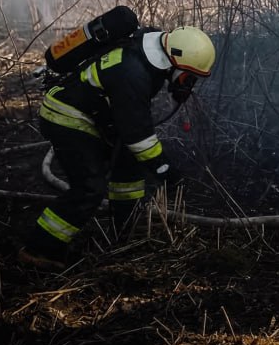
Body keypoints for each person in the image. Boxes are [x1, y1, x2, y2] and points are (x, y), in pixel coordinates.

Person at [18, 25, 216, 270]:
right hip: (66, 117)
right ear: (175, 61)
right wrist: (164, 169)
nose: (189, 84)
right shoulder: (132, 73)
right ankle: (40, 249)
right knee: (90, 187)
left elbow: (132, 129)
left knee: (129, 168)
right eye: (188, 77)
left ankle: (126, 229)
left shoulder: (149, 45)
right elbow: (139, 136)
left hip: (97, 115)